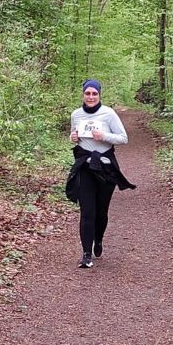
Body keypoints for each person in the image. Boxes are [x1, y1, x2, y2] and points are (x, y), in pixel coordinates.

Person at [65, 79, 135, 268]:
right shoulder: (76, 114)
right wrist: (73, 137)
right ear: (83, 95)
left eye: (94, 93)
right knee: (87, 212)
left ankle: (99, 238)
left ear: (99, 94)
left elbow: (123, 138)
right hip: (85, 167)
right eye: (87, 93)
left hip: (105, 168)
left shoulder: (108, 114)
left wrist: (103, 136)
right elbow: (75, 136)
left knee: (101, 212)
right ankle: (86, 254)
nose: (91, 97)